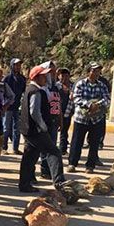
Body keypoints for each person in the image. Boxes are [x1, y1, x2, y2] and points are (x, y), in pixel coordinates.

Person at [18, 65, 66, 193]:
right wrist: (43, 126)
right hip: (36, 131)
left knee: (30, 157)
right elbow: (34, 112)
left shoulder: (30, 89)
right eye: (44, 76)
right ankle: (59, 182)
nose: (46, 78)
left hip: (28, 130)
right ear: (37, 77)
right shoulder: (36, 91)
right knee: (54, 152)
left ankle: (24, 185)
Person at [67, 62, 110, 173]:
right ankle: (72, 163)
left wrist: (98, 104)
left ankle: (90, 165)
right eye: (94, 70)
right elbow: (76, 98)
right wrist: (89, 105)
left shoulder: (102, 85)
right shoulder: (80, 84)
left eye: (98, 71)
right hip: (81, 118)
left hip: (96, 119)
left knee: (94, 142)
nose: (96, 73)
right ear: (88, 72)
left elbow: (107, 99)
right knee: (77, 141)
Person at [39, 61, 62, 179]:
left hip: (54, 120)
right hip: (45, 121)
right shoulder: (43, 88)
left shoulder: (55, 87)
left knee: (52, 145)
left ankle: (50, 169)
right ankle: (44, 169)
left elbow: (58, 104)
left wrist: (60, 120)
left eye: (54, 71)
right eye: (51, 71)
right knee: (45, 146)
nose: (53, 74)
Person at [3, 58, 26, 155]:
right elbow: (3, 92)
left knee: (17, 128)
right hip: (8, 107)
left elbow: (24, 92)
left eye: (19, 65)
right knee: (6, 128)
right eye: (16, 65)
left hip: (17, 107)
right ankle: (4, 147)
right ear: (12, 65)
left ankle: (15, 148)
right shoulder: (7, 78)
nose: (18, 67)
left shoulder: (22, 79)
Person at [56, 68, 73, 154]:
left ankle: (62, 149)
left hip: (68, 112)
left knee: (64, 131)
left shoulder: (73, 86)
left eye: (66, 76)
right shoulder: (56, 86)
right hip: (57, 112)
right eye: (62, 75)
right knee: (54, 131)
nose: (64, 78)